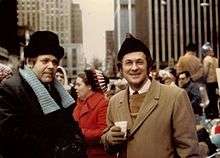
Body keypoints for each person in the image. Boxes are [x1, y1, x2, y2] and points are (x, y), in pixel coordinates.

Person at [101, 34, 200, 158]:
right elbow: (107, 141)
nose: (134, 68)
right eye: (128, 63)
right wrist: (109, 138)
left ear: (149, 67)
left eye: (139, 62)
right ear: (121, 69)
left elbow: (189, 151)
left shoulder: (175, 96)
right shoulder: (114, 101)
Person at [0, 31, 87, 158]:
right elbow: (9, 137)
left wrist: (77, 145)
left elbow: (71, 126)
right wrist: (56, 149)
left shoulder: (58, 90)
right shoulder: (11, 89)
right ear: (30, 62)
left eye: (55, 62)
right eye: (45, 61)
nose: (51, 66)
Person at [73, 69, 113, 158]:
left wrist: (80, 133)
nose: (75, 87)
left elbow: (104, 131)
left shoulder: (103, 104)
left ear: (90, 86)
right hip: (80, 151)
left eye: (78, 84)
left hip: (97, 153)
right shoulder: (80, 102)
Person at [202, 43, 219, 119]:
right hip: (215, 81)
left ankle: (209, 115)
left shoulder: (206, 59)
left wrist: (203, 79)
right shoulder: (216, 59)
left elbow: (205, 72)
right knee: (214, 98)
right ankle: (216, 113)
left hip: (209, 81)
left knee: (208, 98)